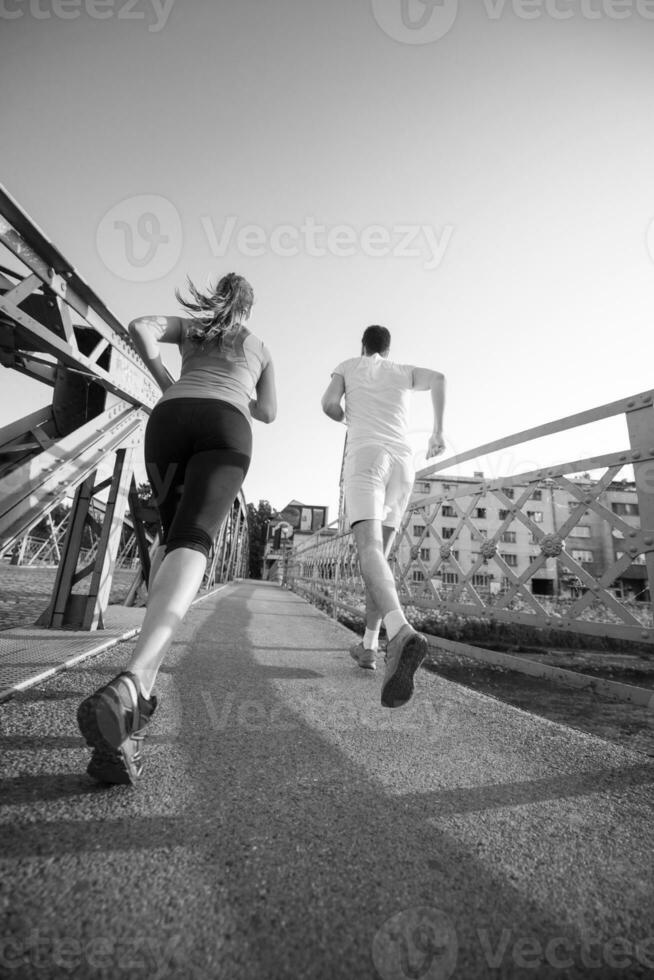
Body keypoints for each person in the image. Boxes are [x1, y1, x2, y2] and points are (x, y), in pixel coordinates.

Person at [77, 272, 277, 785]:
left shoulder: (193, 329)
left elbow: (139, 325)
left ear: (217, 299)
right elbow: (269, 413)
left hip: (169, 418)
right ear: (249, 308)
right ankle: (133, 680)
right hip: (225, 427)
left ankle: (136, 698)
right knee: (194, 543)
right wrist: (243, 392)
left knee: (171, 542)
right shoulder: (258, 345)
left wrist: (169, 379)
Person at [321, 325, 445, 708]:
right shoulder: (402, 371)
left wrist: (346, 415)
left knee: (369, 550)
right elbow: (440, 378)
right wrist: (437, 433)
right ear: (388, 349)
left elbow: (327, 404)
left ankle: (400, 632)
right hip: (403, 464)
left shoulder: (349, 365)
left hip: (367, 457)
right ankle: (370, 647)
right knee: (380, 561)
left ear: (363, 345)